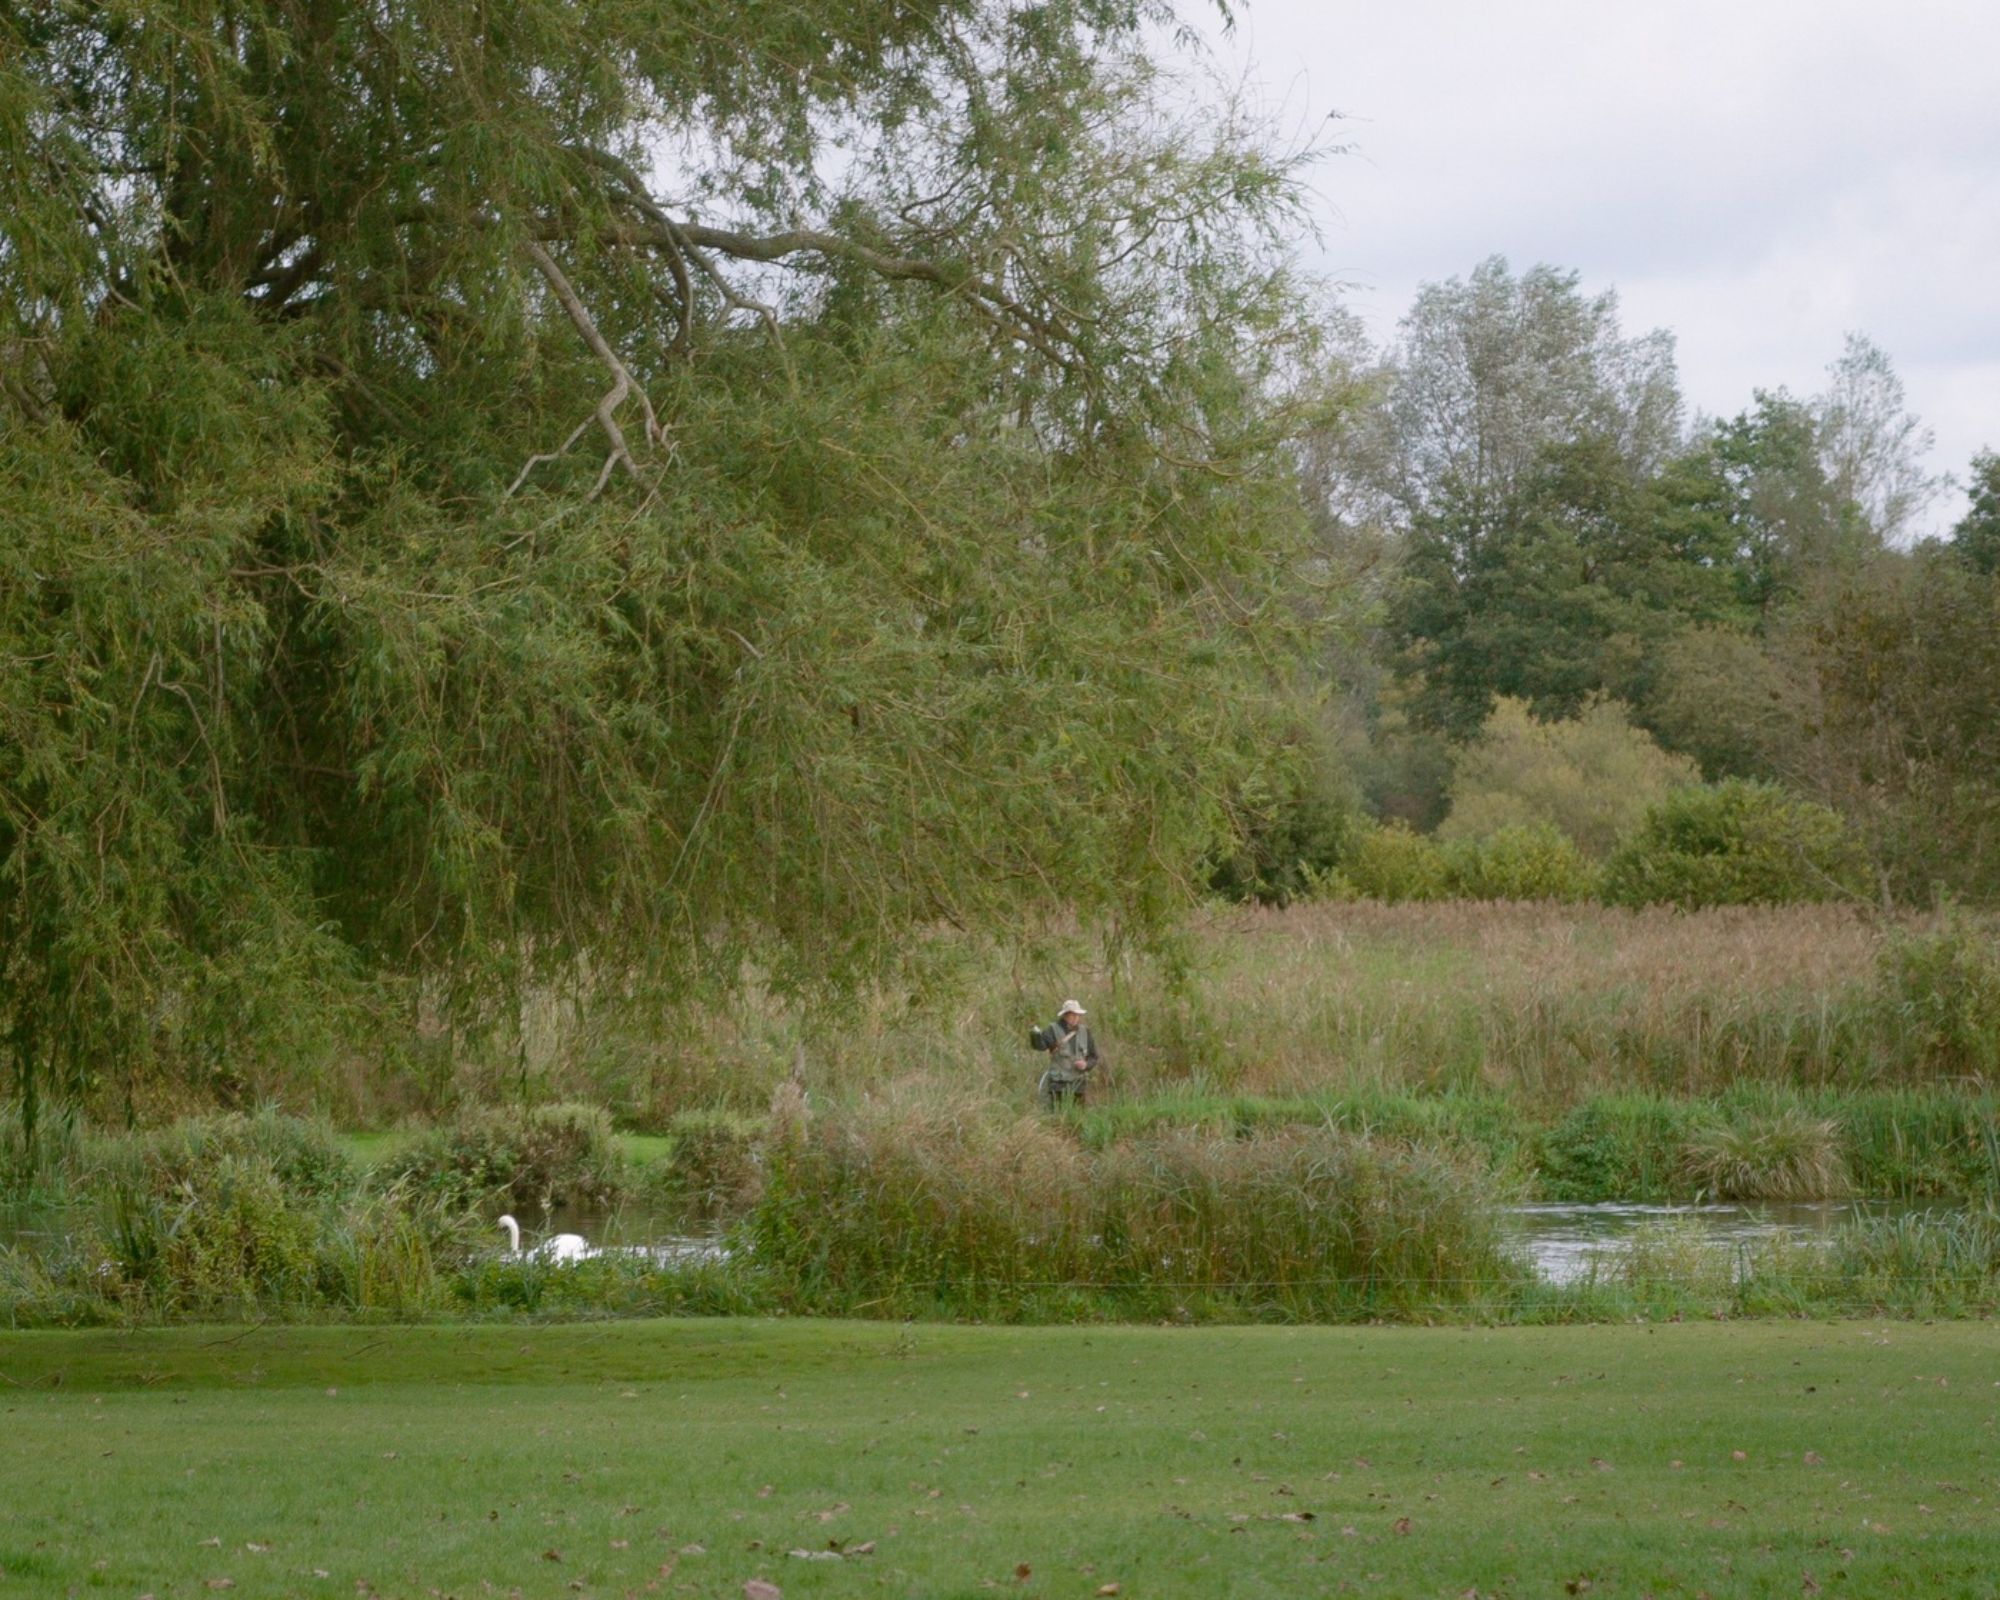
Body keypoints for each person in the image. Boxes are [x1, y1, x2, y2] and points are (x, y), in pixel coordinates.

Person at [1031, 999, 1100, 1110]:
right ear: (1065, 1015)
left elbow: (1094, 1056)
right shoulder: (1052, 1029)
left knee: (1078, 1117)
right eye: (1072, 1015)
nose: (1075, 1018)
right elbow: (1041, 1046)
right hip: (1058, 1084)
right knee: (1057, 1115)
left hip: (1078, 1084)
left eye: (1077, 1015)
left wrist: (1086, 1065)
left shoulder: (1085, 1031)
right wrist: (1035, 1036)